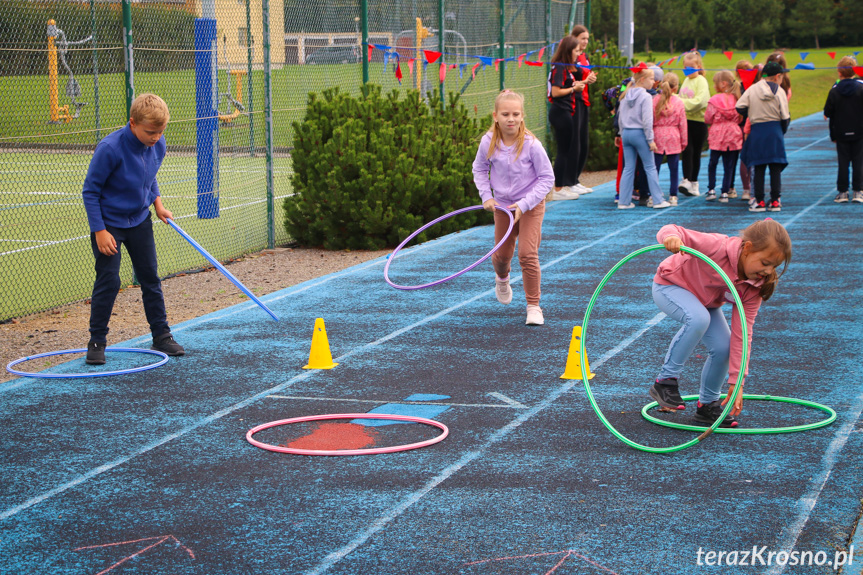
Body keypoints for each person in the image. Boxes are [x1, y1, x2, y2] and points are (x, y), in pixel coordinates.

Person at [649, 219, 792, 427]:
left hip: (705, 303)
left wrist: (737, 382)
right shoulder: (717, 246)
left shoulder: (754, 287)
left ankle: (707, 406)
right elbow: (673, 229)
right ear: (748, 248)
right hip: (670, 287)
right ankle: (665, 381)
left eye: (774, 266)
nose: (769, 271)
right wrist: (671, 238)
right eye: (765, 263)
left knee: (724, 348)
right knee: (698, 319)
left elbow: (743, 333)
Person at [82, 93, 185, 365]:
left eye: (161, 131)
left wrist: (158, 204)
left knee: (150, 276)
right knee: (109, 280)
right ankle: (97, 341)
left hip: (140, 220)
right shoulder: (110, 149)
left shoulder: (159, 144)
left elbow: (149, 177)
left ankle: (162, 336)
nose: (156, 137)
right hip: (109, 225)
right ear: (132, 124)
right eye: (150, 132)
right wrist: (100, 231)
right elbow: (90, 192)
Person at [474, 90, 555, 326]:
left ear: (522, 116)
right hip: (503, 206)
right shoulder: (488, 141)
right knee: (501, 256)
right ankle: (502, 277)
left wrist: (525, 203)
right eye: (505, 114)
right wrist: (486, 196)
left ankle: (533, 306)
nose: (511, 118)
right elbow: (479, 169)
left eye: (516, 114)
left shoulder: (531, 144)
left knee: (528, 254)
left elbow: (547, 178)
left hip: (530, 204)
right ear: (495, 116)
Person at [737, 61, 791, 212]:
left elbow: (739, 106)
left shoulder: (752, 89)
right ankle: (775, 200)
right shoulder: (779, 91)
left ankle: (759, 201)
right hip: (774, 130)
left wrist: (752, 113)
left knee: (758, 165)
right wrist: (781, 130)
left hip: (757, 129)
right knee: (775, 166)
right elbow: (785, 116)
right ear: (778, 76)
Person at [617, 66, 671, 210]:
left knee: (628, 168)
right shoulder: (646, 96)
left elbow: (621, 118)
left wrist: (622, 134)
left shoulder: (625, 95)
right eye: (652, 79)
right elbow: (647, 120)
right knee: (650, 167)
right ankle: (658, 200)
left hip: (627, 134)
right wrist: (650, 139)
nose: (654, 82)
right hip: (639, 133)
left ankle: (624, 201)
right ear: (642, 80)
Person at [547, 35, 584, 201]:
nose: (578, 54)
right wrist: (573, 89)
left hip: (566, 111)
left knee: (566, 150)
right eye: (576, 51)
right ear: (568, 51)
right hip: (560, 112)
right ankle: (558, 188)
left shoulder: (566, 68)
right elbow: (555, 92)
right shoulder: (560, 68)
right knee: (563, 151)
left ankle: (562, 186)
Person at [823, 55, 863, 204]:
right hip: (859, 131)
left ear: (839, 72)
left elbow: (827, 113)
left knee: (843, 162)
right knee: (859, 161)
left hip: (840, 131)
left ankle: (843, 192)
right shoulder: (861, 88)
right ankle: (858, 191)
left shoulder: (834, 91)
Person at [704, 70, 743, 203]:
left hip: (717, 134)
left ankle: (711, 189)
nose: (714, 86)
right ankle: (725, 192)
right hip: (733, 133)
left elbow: (708, 118)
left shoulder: (714, 100)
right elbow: (740, 117)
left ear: (723, 84)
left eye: (715, 83)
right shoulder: (737, 99)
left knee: (713, 163)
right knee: (729, 165)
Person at [569, 25, 598, 195]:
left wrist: (590, 78)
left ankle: (576, 179)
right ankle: (569, 181)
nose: (585, 41)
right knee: (575, 144)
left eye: (587, 38)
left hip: (584, 101)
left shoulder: (584, 56)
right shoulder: (571, 57)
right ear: (574, 39)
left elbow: (585, 75)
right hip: (574, 101)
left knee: (583, 144)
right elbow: (575, 78)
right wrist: (586, 79)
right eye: (582, 38)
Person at [677, 51, 710, 197]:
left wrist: (680, 103)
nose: (688, 71)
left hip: (699, 122)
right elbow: (680, 97)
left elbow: (700, 101)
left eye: (691, 68)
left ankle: (694, 182)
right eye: (685, 67)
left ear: (698, 66)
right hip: (685, 121)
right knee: (686, 150)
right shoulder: (686, 81)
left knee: (695, 152)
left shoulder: (701, 81)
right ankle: (686, 180)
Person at [652, 72, 687, 207]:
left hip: (658, 135)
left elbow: (650, 119)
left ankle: (653, 195)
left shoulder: (654, 100)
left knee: (654, 168)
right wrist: (684, 141)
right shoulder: (678, 102)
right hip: (673, 135)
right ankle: (673, 195)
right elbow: (682, 123)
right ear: (676, 87)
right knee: (674, 168)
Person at [735, 60, 757, 201]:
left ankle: (746, 189)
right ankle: (752, 189)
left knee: (744, 159)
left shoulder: (739, 88)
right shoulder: (755, 88)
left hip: (742, 126)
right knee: (752, 160)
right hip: (751, 126)